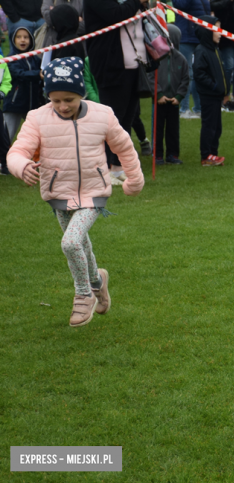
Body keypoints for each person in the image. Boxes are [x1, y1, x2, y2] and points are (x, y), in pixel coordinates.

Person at [6, 57, 144, 326]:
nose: (62, 106)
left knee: (70, 242)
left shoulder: (102, 114)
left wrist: (134, 179)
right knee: (79, 243)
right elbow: (18, 151)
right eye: (56, 100)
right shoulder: (37, 118)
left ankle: (84, 295)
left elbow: (124, 147)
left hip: (94, 191)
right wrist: (21, 166)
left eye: (69, 99)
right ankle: (97, 282)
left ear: (81, 92)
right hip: (58, 192)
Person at [84, 0, 149, 186]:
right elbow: (115, 14)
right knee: (112, 119)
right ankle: (104, 168)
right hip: (111, 67)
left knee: (127, 118)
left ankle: (118, 166)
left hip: (134, 65)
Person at [148, 24, 188, 165]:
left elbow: (185, 79)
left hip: (174, 101)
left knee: (173, 130)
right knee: (157, 129)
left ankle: (173, 154)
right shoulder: (155, 57)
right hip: (159, 101)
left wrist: (178, 97)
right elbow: (151, 77)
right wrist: (158, 94)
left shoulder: (181, 59)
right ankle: (157, 154)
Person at [193, 15, 227, 166]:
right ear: (207, 31)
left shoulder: (215, 50)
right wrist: (214, 86)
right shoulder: (201, 51)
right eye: (217, 29)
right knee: (209, 126)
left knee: (217, 127)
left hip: (217, 96)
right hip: (209, 95)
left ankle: (213, 152)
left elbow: (222, 73)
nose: (220, 33)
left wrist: (225, 91)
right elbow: (199, 74)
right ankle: (206, 155)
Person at [173, 0, 211, 119]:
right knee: (187, 74)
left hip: (199, 36)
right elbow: (181, 4)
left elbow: (207, 12)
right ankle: (184, 109)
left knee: (199, 74)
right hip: (186, 36)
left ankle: (198, 109)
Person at [4, 27, 43, 140]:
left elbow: (42, 71)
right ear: (13, 39)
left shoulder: (35, 59)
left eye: (26, 37)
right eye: (19, 37)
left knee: (36, 136)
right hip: (14, 104)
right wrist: (38, 74)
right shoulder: (11, 59)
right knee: (7, 136)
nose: (22, 40)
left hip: (33, 105)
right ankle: (3, 157)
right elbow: (20, 74)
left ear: (31, 40)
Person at [0, 50, 12, 175]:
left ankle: (4, 164)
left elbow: (6, 81)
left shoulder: (1, 60)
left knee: (2, 137)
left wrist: (2, 92)